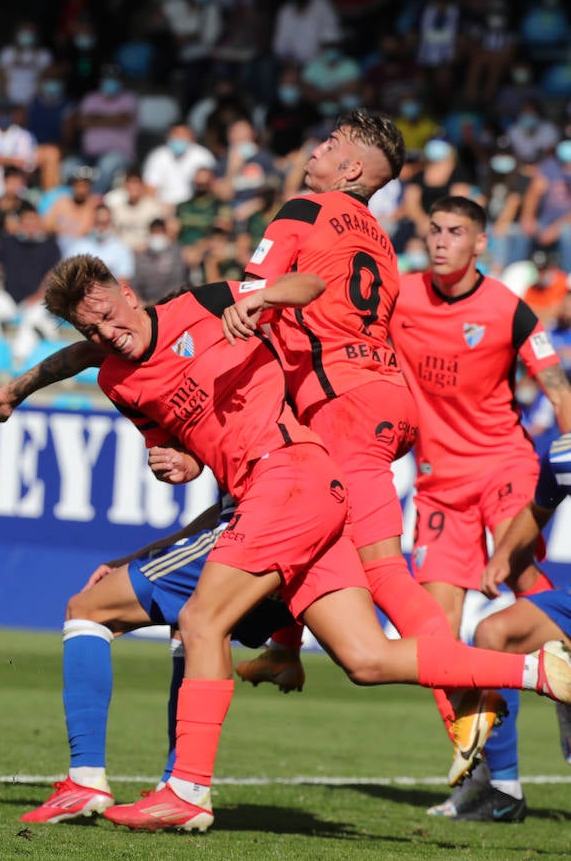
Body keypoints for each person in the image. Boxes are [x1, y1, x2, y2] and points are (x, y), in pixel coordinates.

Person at [0, 254, 571, 832]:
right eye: (91, 328)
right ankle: (537, 670)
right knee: (366, 658)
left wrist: (259, 299)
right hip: (298, 496)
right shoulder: (120, 383)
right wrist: (176, 460)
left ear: (128, 291)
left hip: (288, 478)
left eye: (110, 314)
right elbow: (108, 380)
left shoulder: (201, 305)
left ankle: (182, 790)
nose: (108, 333)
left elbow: (310, 286)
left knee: (195, 619)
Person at [232, 111, 503, 785]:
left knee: (381, 572)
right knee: (308, 531)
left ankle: (465, 699)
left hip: (341, 406)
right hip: (383, 400)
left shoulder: (302, 208)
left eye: (329, 144)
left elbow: (248, 294)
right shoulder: (380, 241)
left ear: (352, 169)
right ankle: (285, 646)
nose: (315, 150)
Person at [20, 495, 295, 823]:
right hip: (309, 542)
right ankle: (176, 785)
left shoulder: (243, 445)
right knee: (194, 624)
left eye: (162, 442)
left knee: (88, 609)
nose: (157, 455)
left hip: (253, 536)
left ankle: (86, 780)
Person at [391, 195, 571, 637]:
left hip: (502, 465)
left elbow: (559, 390)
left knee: (516, 571)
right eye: (435, 229)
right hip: (439, 485)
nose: (440, 242)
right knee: (435, 631)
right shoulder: (399, 297)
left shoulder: (508, 309)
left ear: (480, 243)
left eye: (455, 233)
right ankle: (479, 711)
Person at [428, 437, 571, 822]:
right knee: (492, 634)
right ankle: (503, 791)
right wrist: (503, 556)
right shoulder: (562, 456)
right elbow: (537, 511)